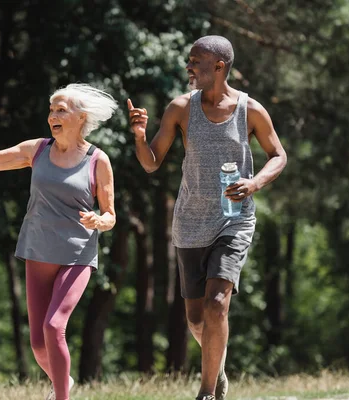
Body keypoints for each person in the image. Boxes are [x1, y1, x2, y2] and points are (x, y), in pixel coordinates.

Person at [128, 35, 287, 400]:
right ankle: (219, 364)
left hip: (235, 218)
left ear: (218, 67)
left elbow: (278, 155)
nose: (189, 66)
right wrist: (139, 136)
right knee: (198, 320)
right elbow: (152, 163)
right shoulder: (181, 108)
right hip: (190, 222)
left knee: (218, 305)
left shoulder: (251, 110)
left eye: (195, 61)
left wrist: (255, 182)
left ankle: (207, 391)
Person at [0, 83, 118, 400]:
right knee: (39, 344)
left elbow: (111, 214)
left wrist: (99, 220)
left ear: (81, 117)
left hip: (76, 254)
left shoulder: (98, 160)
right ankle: (62, 383)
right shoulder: (36, 150)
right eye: (52, 110)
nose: (53, 115)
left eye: (61, 110)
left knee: (55, 327)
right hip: (38, 251)